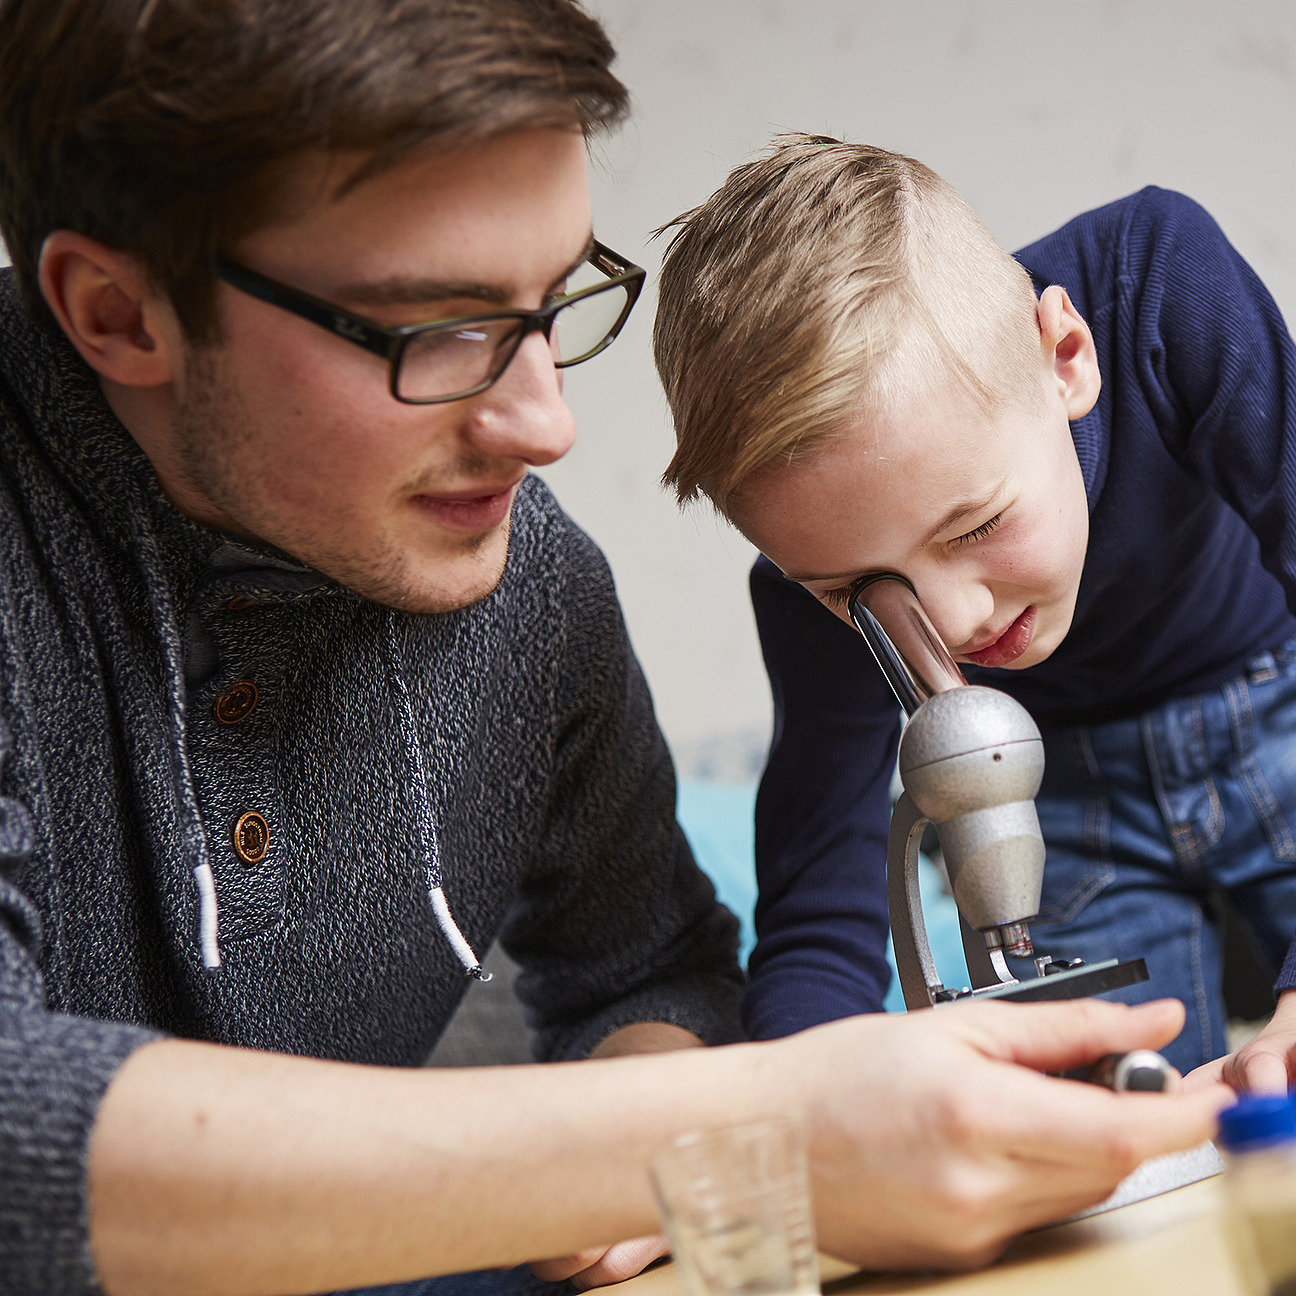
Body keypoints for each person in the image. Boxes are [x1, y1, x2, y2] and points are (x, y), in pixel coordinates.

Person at [0, 10, 1226, 1296]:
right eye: (442, 330)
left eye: (552, 304)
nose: (549, 423)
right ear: (117, 311)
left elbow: (651, 972)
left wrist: (676, 1093)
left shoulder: (529, 585)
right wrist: (732, 1134)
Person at [653, 133, 1296, 1088]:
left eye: (975, 525)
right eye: (859, 595)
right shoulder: (804, 590)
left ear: (1066, 359)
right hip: (1057, 805)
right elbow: (821, 914)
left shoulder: (1159, 283)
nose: (951, 625)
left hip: (1276, 709)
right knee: (1110, 1130)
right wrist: (805, 1106)